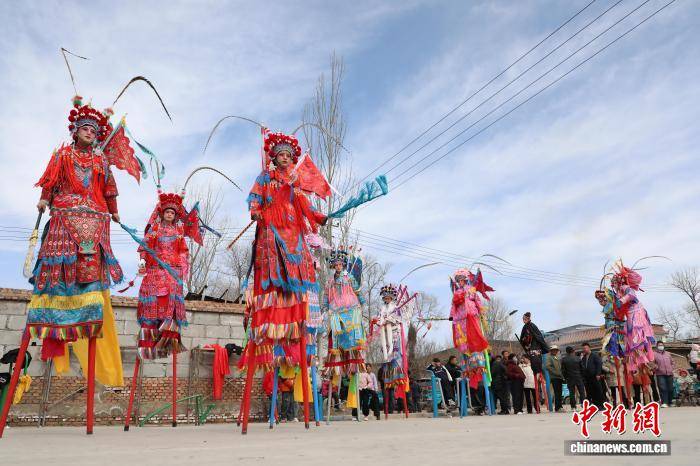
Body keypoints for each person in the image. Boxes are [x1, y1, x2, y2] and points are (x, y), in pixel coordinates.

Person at [136, 192, 201, 359]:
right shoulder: (155, 230)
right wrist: (143, 260)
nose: (170, 214)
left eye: (172, 212)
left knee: (169, 309)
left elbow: (183, 251)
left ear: (175, 215)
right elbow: (145, 246)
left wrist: (181, 267)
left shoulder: (179, 232)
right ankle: (148, 346)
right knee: (151, 308)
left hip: (172, 273)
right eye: (167, 212)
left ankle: (166, 343)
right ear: (162, 213)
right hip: (155, 272)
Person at [323, 249, 366, 375]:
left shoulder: (349, 277)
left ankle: (354, 365)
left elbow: (357, 290)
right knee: (336, 337)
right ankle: (338, 366)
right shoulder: (330, 281)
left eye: (340, 264)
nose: (338, 266)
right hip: (335, 310)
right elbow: (326, 297)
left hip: (351, 308)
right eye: (336, 265)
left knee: (352, 336)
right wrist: (324, 309)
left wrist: (363, 303)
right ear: (333, 266)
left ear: (343, 265)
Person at [611, 264, 655, 372]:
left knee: (638, 333)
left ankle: (646, 357)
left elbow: (632, 295)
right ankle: (637, 361)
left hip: (637, 312)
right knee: (630, 337)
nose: (613, 285)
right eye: (613, 283)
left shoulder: (625, 288)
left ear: (619, 282)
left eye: (615, 282)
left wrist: (622, 300)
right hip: (629, 315)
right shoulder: (617, 293)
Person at [580, 343, 604, 409]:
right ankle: (595, 405)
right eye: (583, 348)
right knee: (591, 391)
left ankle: (601, 405)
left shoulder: (595, 355)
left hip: (595, 376)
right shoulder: (583, 358)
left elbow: (599, 364)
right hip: (588, 377)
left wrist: (598, 374)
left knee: (598, 390)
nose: (584, 349)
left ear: (589, 348)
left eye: (586, 348)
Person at [653, 343, 674, 407]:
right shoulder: (654, 354)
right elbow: (651, 363)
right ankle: (664, 402)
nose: (661, 346)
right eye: (659, 345)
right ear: (657, 346)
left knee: (670, 388)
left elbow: (672, 362)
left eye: (662, 345)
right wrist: (656, 367)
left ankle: (670, 402)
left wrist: (671, 368)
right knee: (663, 388)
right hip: (660, 374)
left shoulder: (668, 353)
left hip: (669, 373)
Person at [545, 345, 564, 412]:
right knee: (557, 392)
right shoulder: (549, 357)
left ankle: (559, 406)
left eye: (556, 350)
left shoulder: (557, 357)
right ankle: (558, 407)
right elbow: (547, 366)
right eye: (554, 350)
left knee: (559, 392)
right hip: (554, 377)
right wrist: (556, 372)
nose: (555, 351)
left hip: (559, 377)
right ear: (551, 351)